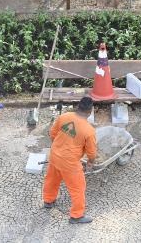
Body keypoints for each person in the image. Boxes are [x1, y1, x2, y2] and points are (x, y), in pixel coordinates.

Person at [42, 96, 98, 224]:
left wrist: (59, 148)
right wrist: (90, 162)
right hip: (70, 163)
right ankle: (76, 216)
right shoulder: (89, 131)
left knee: (52, 179)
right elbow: (92, 153)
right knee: (78, 188)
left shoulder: (64, 117)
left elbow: (53, 134)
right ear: (90, 112)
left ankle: (48, 200)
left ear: (78, 107)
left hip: (55, 155)